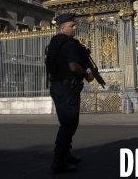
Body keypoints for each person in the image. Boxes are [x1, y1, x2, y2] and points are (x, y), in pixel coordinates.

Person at [45, 13, 94, 174]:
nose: (75, 28)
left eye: (75, 25)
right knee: (69, 124)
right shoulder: (69, 44)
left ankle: (65, 154)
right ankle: (59, 160)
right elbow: (73, 66)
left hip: (56, 86)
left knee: (66, 123)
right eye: (72, 26)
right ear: (62, 28)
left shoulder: (53, 43)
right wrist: (87, 75)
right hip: (68, 88)